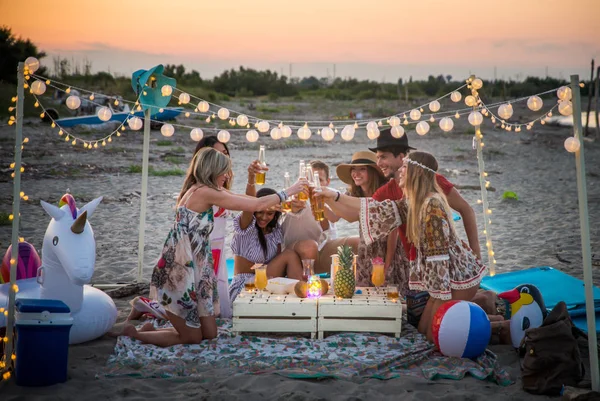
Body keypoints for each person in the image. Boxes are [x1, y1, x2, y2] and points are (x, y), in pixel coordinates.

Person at [117, 148, 306, 346]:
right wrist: (290, 190)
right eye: (224, 171)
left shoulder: (203, 189)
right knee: (192, 338)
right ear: (212, 170)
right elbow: (254, 204)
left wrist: (277, 205)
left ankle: (154, 330)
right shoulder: (205, 192)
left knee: (209, 334)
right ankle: (136, 335)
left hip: (198, 266)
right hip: (182, 266)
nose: (227, 175)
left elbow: (250, 201)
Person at [315, 151, 487, 342]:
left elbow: (439, 262)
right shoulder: (411, 201)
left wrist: (439, 298)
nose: (401, 172)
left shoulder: (432, 207)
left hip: (457, 277)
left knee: (433, 337)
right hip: (442, 278)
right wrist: (331, 196)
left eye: (405, 167)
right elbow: (372, 207)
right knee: (422, 332)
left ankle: (495, 326)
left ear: (417, 173)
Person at [229, 188, 303, 302]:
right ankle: (301, 292)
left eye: (270, 213)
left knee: (292, 254)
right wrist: (251, 179)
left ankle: (300, 297)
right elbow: (248, 205)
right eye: (260, 212)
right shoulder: (247, 228)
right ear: (254, 210)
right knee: (289, 255)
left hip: (268, 280)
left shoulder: (275, 231)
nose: (264, 217)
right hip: (246, 283)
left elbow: (277, 264)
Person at [281, 160, 356, 274]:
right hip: (294, 249)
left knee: (357, 242)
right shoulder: (295, 196)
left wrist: (318, 200)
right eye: (309, 180)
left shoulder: (331, 193)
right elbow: (291, 208)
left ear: (328, 182)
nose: (314, 184)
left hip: (323, 247)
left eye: (318, 180)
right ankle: (311, 282)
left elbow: (335, 217)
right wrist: (296, 207)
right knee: (310, 247)